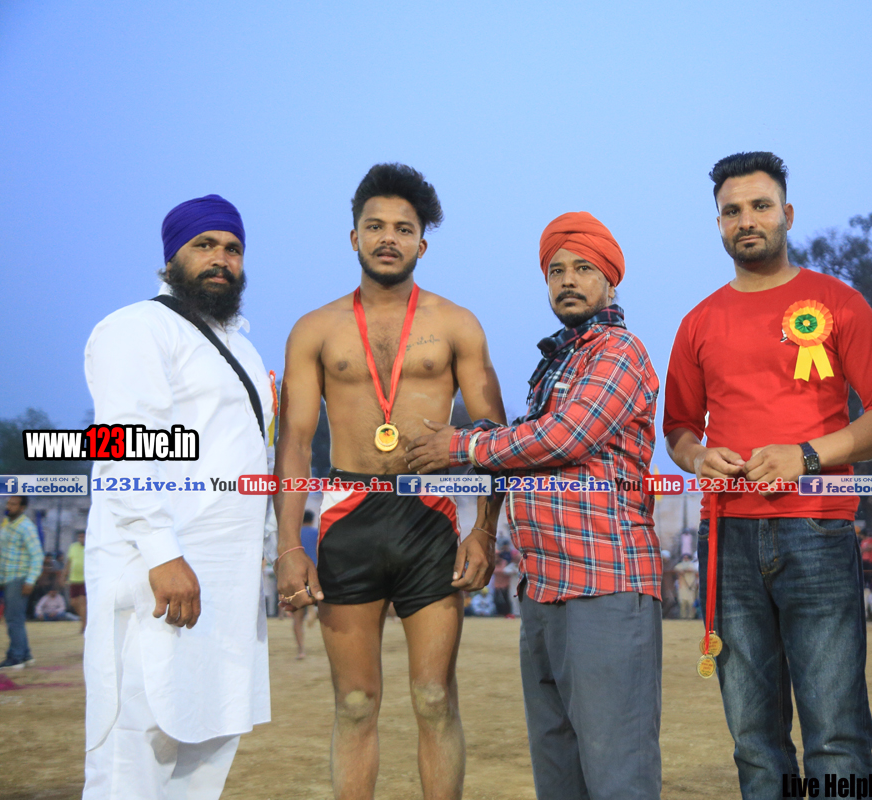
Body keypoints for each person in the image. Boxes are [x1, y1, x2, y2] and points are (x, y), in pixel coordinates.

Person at [663, 151, 872, 796]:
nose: (747, 220)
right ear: (718, 224)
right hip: (726, 539)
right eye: (732, 211)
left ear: (788, 214)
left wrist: (807, 455)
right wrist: (698, 457)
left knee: (836, 731)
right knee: (753, 737)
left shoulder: (838, 302)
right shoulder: (698, 321)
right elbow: (678, 427)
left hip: (817, 530)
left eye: (760, 206)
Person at [406, 210, 664, 800]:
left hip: (606, 585)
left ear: (611, 281)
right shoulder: (556, 362)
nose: (567, 280)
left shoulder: (620, 351)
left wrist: (462, 444)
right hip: (544, 588)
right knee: (558, 772)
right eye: (556, 270)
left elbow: (566, 436)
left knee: (617, 772)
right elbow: (525, 447)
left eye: (583, 268)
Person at [273, 163, 506, 800]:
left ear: (422, 244)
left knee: (434, 697)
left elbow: (494, 438)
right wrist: (288, 544)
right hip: (348, 515)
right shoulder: (315, 329)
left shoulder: (457, 324)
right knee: (354, 703)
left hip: (430, 515)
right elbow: (294, 443)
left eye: (403, 228)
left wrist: (484, 532)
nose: (388, 238)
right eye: (375, 226)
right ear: (353, 237)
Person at [82, 194, 276, 799]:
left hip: (228, 580)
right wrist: (163, 553)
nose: (221, 259)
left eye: (233, 249)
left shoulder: (243, 347)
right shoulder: (136, 328)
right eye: (204, 245)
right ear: (172, 257)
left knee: (208, 740)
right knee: (136, 746)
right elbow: (121, 445)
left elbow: (251, 457)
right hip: (158, 572)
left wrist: (269, 547)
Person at [0, 496, 43, 670]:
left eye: (13, 504)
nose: (9, 506)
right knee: (15, 618)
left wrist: (30, 581)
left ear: (22, 508)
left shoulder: (26, 527)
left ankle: (15, 657)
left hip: (19, 578)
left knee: (13, 619)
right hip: (8, 578)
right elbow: (5, 552)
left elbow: (37, 556)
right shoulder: (7, 522)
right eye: (8, 503)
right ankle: (25, 655)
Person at [291, 510, 320, 659]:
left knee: (297, 618)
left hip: (297, 574)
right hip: (315, 573)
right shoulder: (316, 533)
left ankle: (301, 650)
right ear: (312, 520)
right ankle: (312, 609)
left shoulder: (294, 535)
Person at [63, 531, 87, 633]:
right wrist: (64, 575)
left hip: (85, 579)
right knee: (73, 602)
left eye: (83, 537)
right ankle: (84, 619)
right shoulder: (73, 547)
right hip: (74, 579)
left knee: (82, 602)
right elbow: (69, 562)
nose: (81, 539)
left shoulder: (90, 546)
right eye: (80, 537)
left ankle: (84, 625)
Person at [673, 553, 699, 620]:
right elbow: (676, 569)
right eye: (684, 558)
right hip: (682, 586)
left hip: (691, 587)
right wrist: (683, 570)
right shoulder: (680, 565)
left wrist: (686, 570)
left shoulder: (693, 565)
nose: (686, 559)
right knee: (682, 602)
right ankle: (683, 616)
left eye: (687, 558)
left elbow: (694, 569)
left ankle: (691, 617)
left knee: (691, 602)